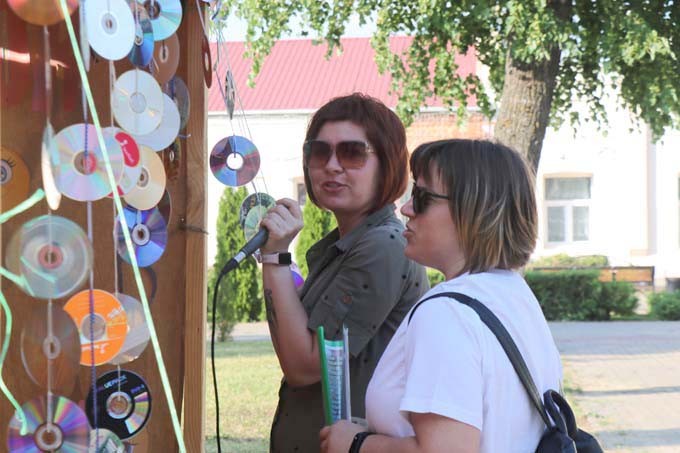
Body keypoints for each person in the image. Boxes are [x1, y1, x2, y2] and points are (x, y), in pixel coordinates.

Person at [320, 139, 563, 453]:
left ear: (472, 210)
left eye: (421, 197)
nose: (406, 208)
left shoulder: (446, 313)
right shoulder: (514, 294)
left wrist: (356, 444)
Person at [259, 93, 430, 452]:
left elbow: (304, 367)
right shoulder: (345, 244)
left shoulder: (383, 246)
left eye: (352, 153)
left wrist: (275, 259)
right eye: (319, 152)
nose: (332, 166)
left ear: (387, 165)